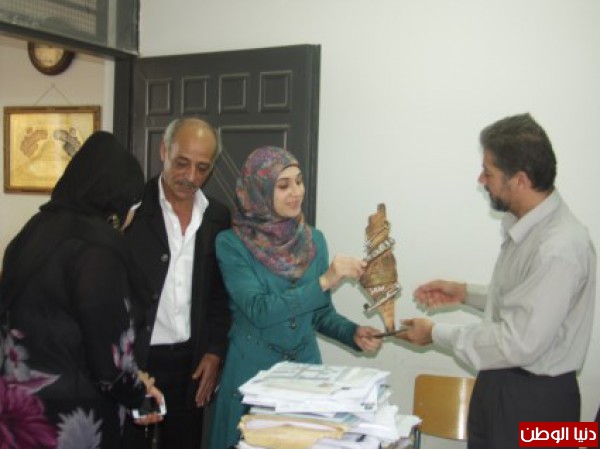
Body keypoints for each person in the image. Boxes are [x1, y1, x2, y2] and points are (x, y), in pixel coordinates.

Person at [399, 113, 596, 449]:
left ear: (519, 179)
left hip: (538, 405)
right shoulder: (529, 227)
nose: (481, 180)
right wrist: (464, 293)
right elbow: (524, 300)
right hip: (499, 386)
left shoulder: (560, 247)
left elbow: (518, 342)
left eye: (488, 172)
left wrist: (435, 333)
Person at [208, 146, 383, 449]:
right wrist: (325, 280)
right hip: (252, 375)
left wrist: (352, 333)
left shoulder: (314, 240)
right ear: (259, 190)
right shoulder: (232, 243)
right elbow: (259, 310)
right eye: (283, 185)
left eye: (299, 181)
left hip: (306, 377)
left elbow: (320, 313)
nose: (297, 192)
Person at [0, 131, 163, 449]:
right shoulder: (97, 251)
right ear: (117, 203)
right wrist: (139, 395)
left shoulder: (32, 232)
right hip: (69, 419)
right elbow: (108, 363)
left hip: (18, 412)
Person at [122, 117, 231, 449]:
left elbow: (219, 295)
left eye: (202, 168)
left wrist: (215, 351)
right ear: (163, 151)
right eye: (182, 163)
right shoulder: (131, 210)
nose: (191, 176)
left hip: (190, 363)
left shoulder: (217, 216)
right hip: (138, 362)